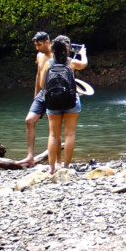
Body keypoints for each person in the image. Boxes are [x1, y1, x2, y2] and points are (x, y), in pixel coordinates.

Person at [17, 32, 87, 166]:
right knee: (30, 121)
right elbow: (39, 77)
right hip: (44, 94)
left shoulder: (53, 60)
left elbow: (47, 80)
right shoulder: (43, 56)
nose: (37, 47)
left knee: (54, 133)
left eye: (39, 44)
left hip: (54, 94)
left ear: (49, 43)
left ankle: (57, 164)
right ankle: (30, 156)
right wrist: (36, 96)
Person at [43, 35, 86, 173]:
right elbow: (84, 64)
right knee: (70, 135)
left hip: (52, 103)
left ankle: (51, 167)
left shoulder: (48, 64)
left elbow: (41, 85)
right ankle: (66, 167)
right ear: (67, 49)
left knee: (53, 135)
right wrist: (82, 54)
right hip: (71, 103)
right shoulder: (71, 63)